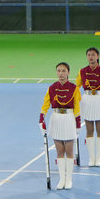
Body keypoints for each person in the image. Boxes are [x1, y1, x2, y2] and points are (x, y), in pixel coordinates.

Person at [40, 62, 80, 190]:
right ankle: (62, 178)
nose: (61, 73)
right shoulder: (52, 88)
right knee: (59, 150)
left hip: (68, 118)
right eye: (59, 71)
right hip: (56, 119)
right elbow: (46, 103)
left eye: (63, 71)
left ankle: (69, 179)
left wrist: (78, 123)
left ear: (68, 73)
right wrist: (42, 117)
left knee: (69, 150)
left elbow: (77, 106)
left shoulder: (74, 88)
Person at [76, 48, 100, 167]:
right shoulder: (82, 71)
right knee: (89, 130)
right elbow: (76, 88)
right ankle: (92, 158)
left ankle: (99, 157)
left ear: (98, 56)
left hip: (99, 99)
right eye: (89, 55)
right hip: (87, 100)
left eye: (93, 55)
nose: (91, 57)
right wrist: (74, 103)